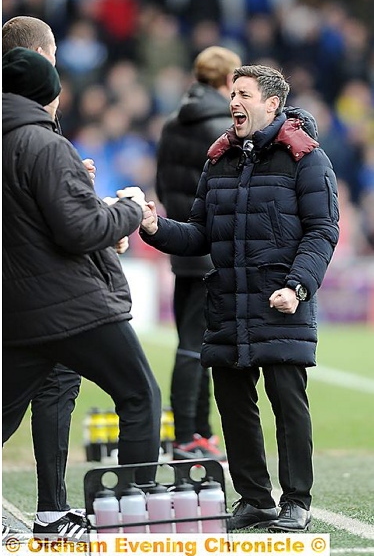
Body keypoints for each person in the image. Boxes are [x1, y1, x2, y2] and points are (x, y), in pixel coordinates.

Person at [140, 64, 339, 532]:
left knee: (287, 403)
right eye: (232, 94)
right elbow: (200, 234)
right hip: (228, 303)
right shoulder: (219, 160)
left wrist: (298, 285)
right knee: (233, 405)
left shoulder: (308, 159)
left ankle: (296, 500)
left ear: (271, 105)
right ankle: (254, 499)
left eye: (243, 94)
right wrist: (154, 227)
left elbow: (323, 230)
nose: (233, 102)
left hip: (280, 301)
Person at [2, 47, 161, 538]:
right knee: (140, 395)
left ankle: (59, 514)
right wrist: (129, 209)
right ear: (50, 95)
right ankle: (129, 521)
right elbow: (77, 228)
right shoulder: (45, 144)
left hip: (17, 310)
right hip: (72, 305)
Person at [1, 15, 95, 538]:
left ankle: (52, 510)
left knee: (47, 382)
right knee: (49, 382)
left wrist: (68, 180)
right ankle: (52, 512)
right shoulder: (30, 117)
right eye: (55, 52)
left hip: (18, 283)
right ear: (40, 53)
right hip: (29, 285)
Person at [156, 46, 241, 461]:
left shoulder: (172, 123)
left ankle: (201, 432)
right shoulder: (223, 127)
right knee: (195, 345)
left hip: (181, 243)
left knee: (194, 342)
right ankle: (187, 434)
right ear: (228, 82)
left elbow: (161, 184)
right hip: (211, 248)